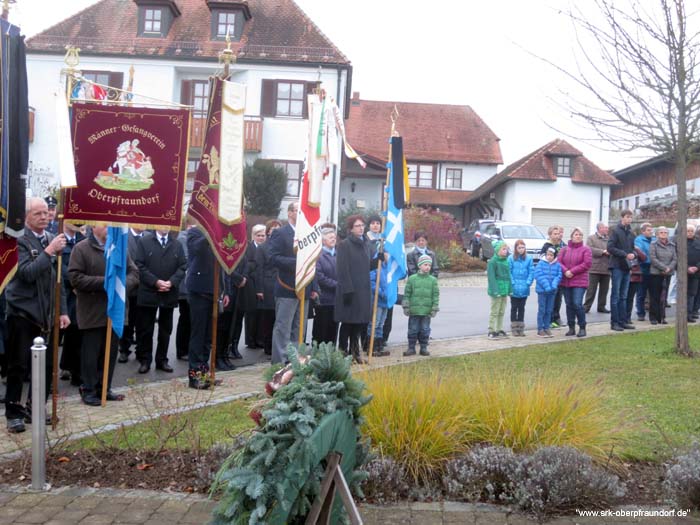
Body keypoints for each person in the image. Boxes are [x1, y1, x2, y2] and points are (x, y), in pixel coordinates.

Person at [4, 197, 69, 433]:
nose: (45, 216)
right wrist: (49, 252)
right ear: (27, 216)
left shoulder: (53, 239)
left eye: (46, 212)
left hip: (47, 315)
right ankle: (13, 413)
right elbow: (26, 273)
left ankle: (35, 409)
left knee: (45, 367)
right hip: (22, 314)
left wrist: (62, 311)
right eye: (38, 213)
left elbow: (59, 280)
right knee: (18, 366)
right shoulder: (18, 241)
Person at [69, 225, 138, 406]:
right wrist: (107, 282)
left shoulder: (120, 247)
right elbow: (75, 278)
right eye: (105, 224)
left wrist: (121, 284)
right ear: (93, 225)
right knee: (91, 354)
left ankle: (104, 388)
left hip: (115, 309)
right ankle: (89, 389)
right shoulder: (81, 248)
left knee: (110, 351)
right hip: (92, 311)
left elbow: (134, 273)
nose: (109, 228)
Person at [269, 202, 318, 364]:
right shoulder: (280, 233)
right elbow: (273, 257)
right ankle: (280, 362)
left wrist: (314, 286)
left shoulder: (308, 234)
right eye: (298, 211)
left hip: (305, 287)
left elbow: (313, 262)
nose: (301, 215)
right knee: (283, 327)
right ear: (289, 213)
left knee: (299, 328)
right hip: (287, 287)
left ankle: (295, 361)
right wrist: (297, 262)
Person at [134, 229, 187, 374]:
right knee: (146, 329)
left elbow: (183, 266)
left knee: (165, 329)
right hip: (148, 292)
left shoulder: (176, 244)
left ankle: (162, 360)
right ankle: (145, 360)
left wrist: (171, 282)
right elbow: (139, 265)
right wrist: (155, 282)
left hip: (168, 293)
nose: (165, 227)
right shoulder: (144, 241)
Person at [185, 226, 231, 389]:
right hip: (199, 291)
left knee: (208, 338)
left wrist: (227, 291)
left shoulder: (223, 234)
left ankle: (205, 374)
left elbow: (226, 264)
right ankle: (194, 377)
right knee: (198, 336)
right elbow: (196, 248)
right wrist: (213, 231)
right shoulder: (195, 232)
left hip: (216, 291)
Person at [335, 214, 373, 364]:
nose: (361, 228)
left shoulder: (365, 244)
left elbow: (366, 266)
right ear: (351, 228)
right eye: (357, 226)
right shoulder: (344, 245)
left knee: (358, 324)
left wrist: (378, 259)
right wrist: (347, 289)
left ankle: (355, 353)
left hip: (363, 290)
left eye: (362, 225)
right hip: (349, 291)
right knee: (347, 324)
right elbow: (342, 269)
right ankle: (343, 354)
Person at [230, 225, 265, 354]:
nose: (261, 238)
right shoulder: (247, 247)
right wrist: (244, 276)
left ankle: (238, 344)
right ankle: (233, 345)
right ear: (253, 235)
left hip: (256, 283)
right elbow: (248, 264)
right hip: (245, 284)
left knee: (252, 314)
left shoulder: (264, 248)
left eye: (263, 235)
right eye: (258, 235)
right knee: (239, 316)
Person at [58, 222, 85, 387]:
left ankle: (72, 369)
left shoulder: (84, 240)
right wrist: (76, 281)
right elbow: (59, 267)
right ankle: (50, 372)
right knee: (56, 335)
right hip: (62, 293)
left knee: (75, 332)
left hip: (78, 295)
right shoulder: (57, 239)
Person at [402, 254, 439, 356]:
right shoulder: (412, 279)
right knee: (413, 330)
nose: (427, 267)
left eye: (429, 265)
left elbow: (435, 295)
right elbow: (407, 293)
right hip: (414, 310)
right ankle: (411, 348)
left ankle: (423, 347)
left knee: (425, 330)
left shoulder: (433, 280)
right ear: (419, 265)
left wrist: (435, 307)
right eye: (425, 265)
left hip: (426, 311)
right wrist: (406, 305)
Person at [558, 227, 592, 337]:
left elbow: (587, 264)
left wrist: (572, 271)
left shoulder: (586, 249)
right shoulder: (564, 249)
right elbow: (558, 262)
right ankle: (571, 327)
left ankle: (582, 327)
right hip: (566, 281)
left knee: (577, 304)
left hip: (579, 281)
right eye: (576, 234)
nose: (578, 236)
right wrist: (565, 271)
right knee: (569, 305)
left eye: (580, 235)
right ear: (572, 236)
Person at [255, 219, 282, 355]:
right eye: (273, 228)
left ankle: (277, 346)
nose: (276, 231)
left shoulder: (282, 246)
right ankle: (268, 346)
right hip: (268, 286)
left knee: (279, 318)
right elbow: (258, 269)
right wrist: (259, 289)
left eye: (278, 228)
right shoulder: (263, 247)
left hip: (281, 283)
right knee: (269, 318)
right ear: (268, 231)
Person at [608, 210, 636, 331]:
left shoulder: (631, 232)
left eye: (631, 217)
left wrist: (633, 254)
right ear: (622, 218)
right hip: (617, 266)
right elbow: (610, 247)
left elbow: (633, 249)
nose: (629, 219)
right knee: (616, 296)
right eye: (627, 217)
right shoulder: (615, 231)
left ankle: (623, 321)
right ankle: (614, 322)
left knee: (624, 296)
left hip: (627, 267)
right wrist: (624, 254)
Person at [118, 227, 144, 362]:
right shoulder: (124, 236)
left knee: (142, 322)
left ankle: (141, 350)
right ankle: (124, 349)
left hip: (145, 287)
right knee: (127, 321)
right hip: (128, 286)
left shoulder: (148, 237)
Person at [312, 227, 339, 346]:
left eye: (334, 237)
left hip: (336, 299)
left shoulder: (338, 254)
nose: (333, 239)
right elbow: (319, 276)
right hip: (323, 299)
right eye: (330, 237)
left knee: (333, 329)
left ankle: (331, 354)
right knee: (322, 329)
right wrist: (337, 285)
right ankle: (318, 353)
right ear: (323, 240)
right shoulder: (318, 255)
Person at [648, 226, 676, 325]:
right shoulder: (653, 244)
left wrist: (669, 268)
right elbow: (653, 258)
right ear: (657, 234)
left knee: (664, 296)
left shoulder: (672, 245)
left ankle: (662, 317)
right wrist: (664, 268)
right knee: (655, 295)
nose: (664, 234)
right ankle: (654, 317)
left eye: (665, 232)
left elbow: (674, 259)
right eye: (661, 232)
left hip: (668, 273)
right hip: (656, 273)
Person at [539, 226, 566, 328]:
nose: (557, 235)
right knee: (549, 299)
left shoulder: (563, 246)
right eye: (554, 234)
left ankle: (556, 317)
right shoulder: (546, 246)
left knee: (558, 298)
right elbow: (542, 259)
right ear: (550, 235)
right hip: (548, 277)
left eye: (558, 233)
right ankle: (547, 319)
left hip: (558, 276)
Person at [534, 247, 562, 338]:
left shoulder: (557, 265)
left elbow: (559, 275)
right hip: (542, 291)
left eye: (551, 255)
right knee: (542, 309)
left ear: (554, 256)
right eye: (548, 255)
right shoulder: (541, 264)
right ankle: (540, 329)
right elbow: (538, 275)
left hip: (552, 291)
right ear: (545, 255)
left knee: (549, 310)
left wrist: (554, 285)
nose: (549, 257)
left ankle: (547, 327)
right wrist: (546, 286)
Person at [508, 239, 534, 337]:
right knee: (514, 308)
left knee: (522, 308)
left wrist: (528, 282)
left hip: (524, 287)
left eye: (523, 247)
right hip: (514, 287)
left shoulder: (529, 259)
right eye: (519, 248)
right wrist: (513, 283)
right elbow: (509, 271)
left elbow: (531, 271)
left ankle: (521, 328)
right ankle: (514, 327)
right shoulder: (511, 258)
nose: (521, 249)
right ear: (515, 248)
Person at [175, 223, 193, 361]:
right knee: (185, 318)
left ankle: (188, 348)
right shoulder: (183, 239)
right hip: (185, 287)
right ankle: (182, 350)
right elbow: (187, 260)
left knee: (192, 319)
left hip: (192, 286)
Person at [487, 241, 512, 338]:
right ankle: (491, 329)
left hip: (504, 290)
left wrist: (510, 289)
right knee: (495, 311)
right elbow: (491, 278)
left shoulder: (505, 261)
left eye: (506, 249)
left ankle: (499, 328)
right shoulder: (493, 262)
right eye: (503, 249)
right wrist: (495, 290)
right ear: (498, 250)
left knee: (501, 311)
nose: (505, 251)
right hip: (497, 291)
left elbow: (508, 276)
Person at [584, 222, 611, 314]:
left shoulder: (609, 239)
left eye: (607, 228)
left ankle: (601, 306)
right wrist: (603, 251)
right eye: (605, 228)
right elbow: (589, 249)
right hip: (594, 268)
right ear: (600, 228)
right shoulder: (591, 238)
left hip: (606, 269)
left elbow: (613, 249)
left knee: (604, 290)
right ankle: (586, 306)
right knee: (591, 290)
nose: (607, 229)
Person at [367, 255, 391, 356]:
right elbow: (372, 283)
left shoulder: (388, 268)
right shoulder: (376, 266)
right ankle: (371, 346)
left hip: (386, 302)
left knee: (381, 324)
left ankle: (379, 345)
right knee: (374, 323)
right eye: (387, 254)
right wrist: (382, 293)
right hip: (378, 301)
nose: (389, 256)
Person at [634, 223, 654, 321]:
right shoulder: (639, 240)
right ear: (643, 231)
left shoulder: (654, 240)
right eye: (648, 230)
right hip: (643, 267)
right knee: (641, 292)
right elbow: (641, 253)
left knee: (653, 292)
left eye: (651, 230)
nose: (651, 232)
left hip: (654, 267)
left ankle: (653, 313)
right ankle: (640, 313)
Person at [626, 246, 647, 325]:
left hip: (635, 276)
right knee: (623, 298)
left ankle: (628, 317)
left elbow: (644, 258)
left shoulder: (635, 249)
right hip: (624, 275)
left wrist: (637, 249)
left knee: (630, 298)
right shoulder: (621, 248)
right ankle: (622, 317)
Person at [686, 224, 700, 323]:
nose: (690, 233)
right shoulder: (681, 243)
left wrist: (697, 267)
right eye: (688, 231)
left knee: (692, 294)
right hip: (684, 272)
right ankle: (684, 314)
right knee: (684, 294)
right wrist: (686, 267)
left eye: (691, 231)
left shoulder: (698, 242)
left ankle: (690, 314)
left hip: (696, 272)